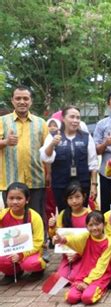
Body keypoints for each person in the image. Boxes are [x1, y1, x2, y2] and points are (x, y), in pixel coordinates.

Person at [0, 86, 48, 227]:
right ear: (12, 101)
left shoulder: (41, 123)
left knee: (36, 217)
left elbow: (47, 152)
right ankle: (14, 248)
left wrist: (49, 173)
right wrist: (5, 142)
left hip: (36, 179)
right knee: (12, 218)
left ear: (31, 101)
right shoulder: (2, 121)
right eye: (18, 98)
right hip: (10, 180)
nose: (22, 101)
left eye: (25, 98)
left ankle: (38, 246)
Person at [40, 105, 99, 211]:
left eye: (78, 118)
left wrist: (94, 185)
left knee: (81, 213)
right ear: (63, 118)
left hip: (82, 182)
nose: (75, 120)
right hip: (60, 183)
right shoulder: (53, 136)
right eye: (72, 117)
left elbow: (93, 163)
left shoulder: (86, 137)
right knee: (64, 213)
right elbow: (46, 157)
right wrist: (53, 144)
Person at [53, 211, 111, 305]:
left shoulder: (108, 242)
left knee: (87, 298)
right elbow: (74, 239)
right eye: (91, 225)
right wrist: (61, 239)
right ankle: (85, 288)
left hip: (100, 275)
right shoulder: (86, 236)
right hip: (84, 272)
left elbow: (102, 265)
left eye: (97, 224)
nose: (94, 228)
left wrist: (87, 282)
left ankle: (100, 289)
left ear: (104, 224)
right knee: (71, 298)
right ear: (86, 226)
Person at [0, 183, 46, 285]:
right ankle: (12, 272)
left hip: (30, 251)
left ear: (27, 199)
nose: (15, 202)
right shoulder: (2, 214)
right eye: (11, 198)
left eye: (19, 198)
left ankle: (39, 270)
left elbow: (38, 241)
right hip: (10, 250)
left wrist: (22, 254)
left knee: (31, 263)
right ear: (6, 199)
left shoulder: (34, 216)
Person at [48, 182, 91, 280]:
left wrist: (78, 254)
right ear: (66, 199)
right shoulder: (63, 214)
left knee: (73, 277)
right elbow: (55, 236)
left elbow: (93, 238)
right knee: (61, 278)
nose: (74, 201)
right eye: (70, 198)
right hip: (67, 254)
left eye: (77, 197)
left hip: (85, 254)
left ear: (84, 197)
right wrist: (52, 227)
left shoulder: (89, 214)